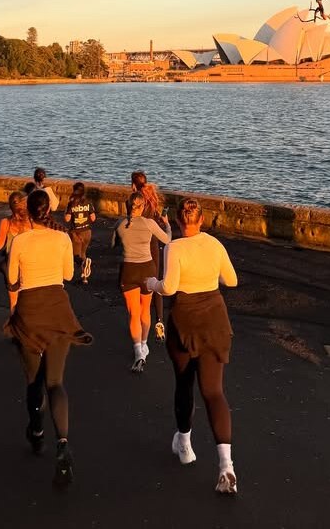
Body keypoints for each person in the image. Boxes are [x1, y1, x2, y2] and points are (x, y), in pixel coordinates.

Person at [145, 198, 239, 495]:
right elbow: (231, 280)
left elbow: (170, 287)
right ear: (203, 219)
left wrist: (151, 284)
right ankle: (226, 465)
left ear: (177, 220)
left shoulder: (174, 247)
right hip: (214, 317)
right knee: (214, 392)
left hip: (185, 319)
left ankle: (184, 444)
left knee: (184, 383)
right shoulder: (214, 244)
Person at [4, 189, 92, 488]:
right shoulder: (62, 238)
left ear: (28, 211)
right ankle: (63, 443)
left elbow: (13, 279)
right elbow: (68, 275)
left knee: (33, 381)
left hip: (29, 310)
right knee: (55, 382)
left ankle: (37, 431)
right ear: (49, 211)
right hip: (58, 308)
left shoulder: (19, 241)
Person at [112, 191, 171, 372]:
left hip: (128, 271)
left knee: (133, 313)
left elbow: (112, 245)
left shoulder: (120, 224)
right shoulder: (149, 223)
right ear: (143, 206)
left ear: (127, 206)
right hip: (147, 269)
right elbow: (167, 240)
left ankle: (138, 350)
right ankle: (144, 345)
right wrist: (167, 224)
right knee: (145, 310)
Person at [131, 171, 167, 341]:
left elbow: (129, 223)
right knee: (156, 282)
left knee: (138, 284)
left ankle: (140, 323)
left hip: (139, 245)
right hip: (154, 244)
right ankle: (160, 321)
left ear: (133, 185)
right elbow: (156, 219)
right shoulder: (152, 199)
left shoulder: (133, 202)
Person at [0, 191, 32, 311]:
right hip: (28, 265)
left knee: (13, 302)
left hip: (11, 265)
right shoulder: (31, 222)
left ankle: (13, 325)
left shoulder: (5, 222)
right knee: (29, 300)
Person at [64, 182, 96, 283]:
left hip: (76, 233)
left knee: (75, 256)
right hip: (87, 231)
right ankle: (84, 277)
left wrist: (66, 211)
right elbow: (93, 218)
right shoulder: (88, 202)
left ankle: (84, 264)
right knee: (83, 253)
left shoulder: (72, 203)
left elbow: (67, 219)